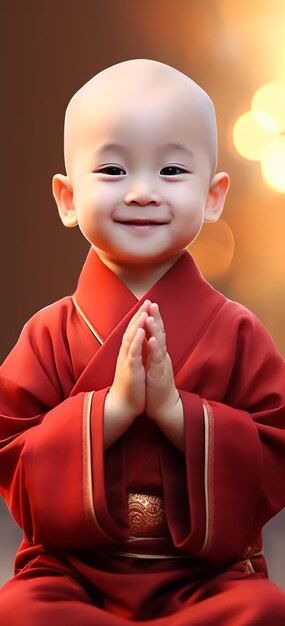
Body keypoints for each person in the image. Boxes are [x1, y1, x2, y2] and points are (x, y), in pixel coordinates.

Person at [0, 58, 285, 625]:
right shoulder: (49, 333)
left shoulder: (238, 330)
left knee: (262, 609)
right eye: (111, 169)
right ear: (66, 197)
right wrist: (113, 411)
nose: (141, 193)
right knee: (21, 610)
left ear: (213, 195)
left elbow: (276, 448)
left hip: (205, 576)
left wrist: (178, 414)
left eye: (173, 171)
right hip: (73, 573)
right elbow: (10, 451)